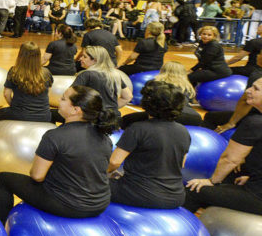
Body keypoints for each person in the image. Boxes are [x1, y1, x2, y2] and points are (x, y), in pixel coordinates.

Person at [0, 85, 117, 223]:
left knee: (3, 179)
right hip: (100, 204)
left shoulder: (54, 136)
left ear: (75, 110)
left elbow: (37, 176)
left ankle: (2, 225)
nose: (59, 100)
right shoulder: (104, 137)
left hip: (69, 207)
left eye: (63, 99)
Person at [184, 77, 262, 215]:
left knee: (194, 190)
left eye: (256, 89)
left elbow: (231, 159)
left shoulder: (255, 123)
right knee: (233, 177)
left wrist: (212, 181)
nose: (248, 90)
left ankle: (183, 234)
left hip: (257, 197)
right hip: (255, 184)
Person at [109, 80, 191, 209]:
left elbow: (114, 163)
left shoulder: (138, 128)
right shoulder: (183, 131)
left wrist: (100, 176)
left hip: (140, 194)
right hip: (176, 196)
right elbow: (181, 164)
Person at [0, 42, 53, 143]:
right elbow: (48, 94)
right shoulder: (46, 72)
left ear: (20, 55)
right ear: (38, 56)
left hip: (20, 114)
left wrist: (13, 105)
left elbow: (6, 94)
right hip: (44, 115)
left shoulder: (14, 71)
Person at [121, 61, 203, 128]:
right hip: (193, 116)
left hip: (165, 115)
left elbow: (147, 105)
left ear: (162, 70)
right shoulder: (187, 85)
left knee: (126, 119)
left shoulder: (155, 83)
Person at [68, 45, 132, 115]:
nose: (80, 59)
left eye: (84, 56)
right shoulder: (114, 75)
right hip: (113, 117)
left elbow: (69, 95)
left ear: (95, 60)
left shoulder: (86, 74)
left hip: (93, 118)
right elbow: (128, 97)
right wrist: (111, 109)